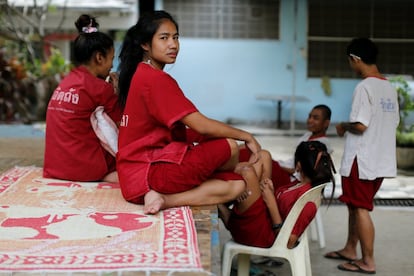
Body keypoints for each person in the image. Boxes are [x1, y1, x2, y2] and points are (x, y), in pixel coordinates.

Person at [116, 10, 264, 215]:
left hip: (133, 179)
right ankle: (159, 192)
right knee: (230, 145)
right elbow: (200, 124)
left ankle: (165, 200)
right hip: (148, 171)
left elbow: (182, 129)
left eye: (176, 37)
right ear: (145, 44)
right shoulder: (154, 79)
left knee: (237, 186)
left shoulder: (143, 74)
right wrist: (246, 135)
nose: (173, 45)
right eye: (164, 38)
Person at [324, 38, 399, 274]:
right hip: (380, 159)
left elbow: (361, 125)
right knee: (355, 206)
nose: (350, 66)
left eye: (350, 61)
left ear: (356, 59)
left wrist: (342, 126)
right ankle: (349, 248)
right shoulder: (388, 87)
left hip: (362, 160)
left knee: (361, 208)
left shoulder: (364, 87)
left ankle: (367, 261)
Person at [43, 14, 121, 182]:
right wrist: (117, 93)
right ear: (99, 58)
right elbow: (121, 123)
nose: (112, 66)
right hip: (82, 168)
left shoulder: (67, 81)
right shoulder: (101, 88)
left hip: (55, 165)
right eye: (111, 59)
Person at [219, 140, 336, 248]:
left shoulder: (307, 201)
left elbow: (288, 242)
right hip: (264, 220)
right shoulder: (299, 184)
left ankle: (223, 206)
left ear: (299, 166)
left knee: (246, 171)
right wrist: (270, 191)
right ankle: (225, 205)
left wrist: (271, 203)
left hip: (265, 236)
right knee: (263, 155)